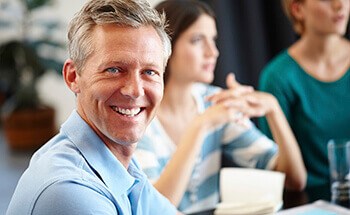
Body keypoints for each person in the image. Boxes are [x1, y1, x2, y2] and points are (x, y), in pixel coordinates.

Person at [6, 0, 181, 214]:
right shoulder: (70, 192)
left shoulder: (121, 163)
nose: (135, 90)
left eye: (149, 72)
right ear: (73, 76)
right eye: (114, 69)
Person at [134, 0, 306, 214]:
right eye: (197, 40)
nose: (212, 52)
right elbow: (155, 209)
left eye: (213, 40)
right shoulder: (138, 116)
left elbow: (294, 180)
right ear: (164, 46)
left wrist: (273, 109)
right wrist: (200, 126)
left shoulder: (213, 101)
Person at [259, 0, 350, 188]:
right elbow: (277, 166)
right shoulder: (277, 77)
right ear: (298, 9)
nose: (339, 4)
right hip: (309, 202)